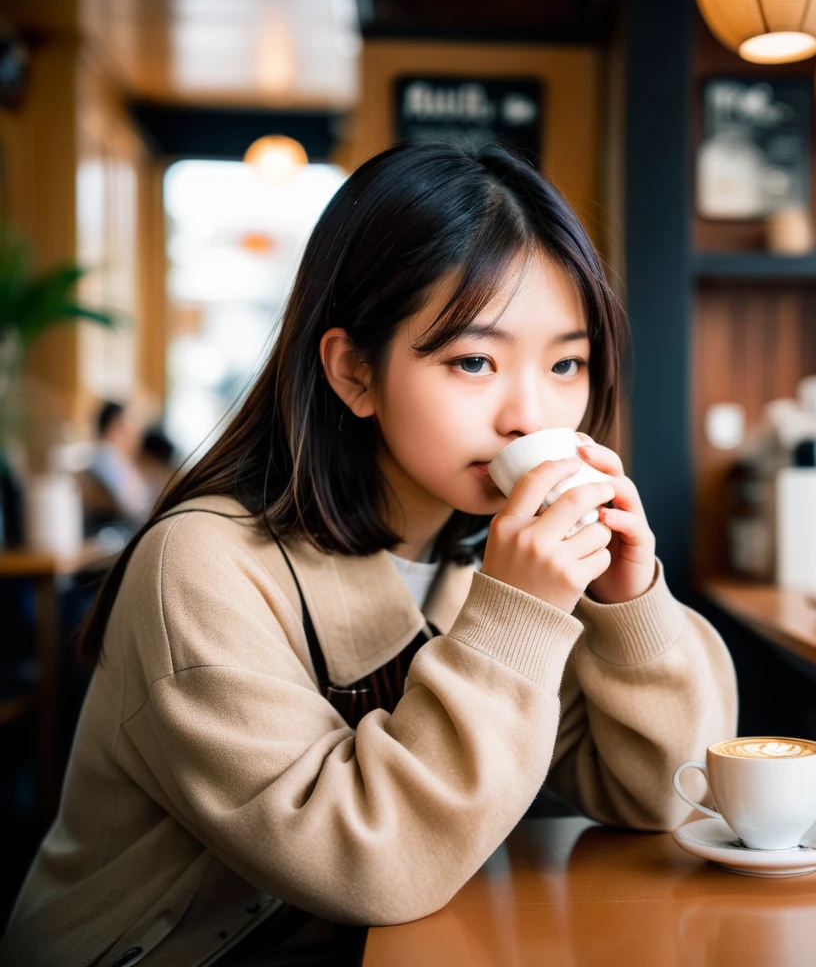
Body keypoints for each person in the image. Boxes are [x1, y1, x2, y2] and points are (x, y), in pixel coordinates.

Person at [0, 141, 737, 967]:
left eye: (567, 362)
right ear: (354, 372)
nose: (531, 415)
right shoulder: (202, 567)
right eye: (474, 361)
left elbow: (667, 793)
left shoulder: (474, 565)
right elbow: (370, 866)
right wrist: (515, 616)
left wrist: (629, 606)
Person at [87, 400, 150, 523]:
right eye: (128, 423)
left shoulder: (111, 457)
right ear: (116, 425)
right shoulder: (106, 458)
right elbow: (132, 504)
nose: (132, 430)